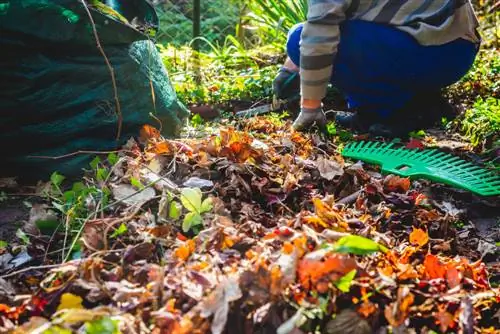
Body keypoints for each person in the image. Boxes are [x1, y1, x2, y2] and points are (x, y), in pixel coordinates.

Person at [273, 0, 481, 138]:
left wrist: (310, 107)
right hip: (457, 47)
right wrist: (293, 65)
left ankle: (398, 111)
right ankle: (402, 104)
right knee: (306, 41)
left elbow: (319, 34)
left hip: (433, 52)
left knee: (298, 39)